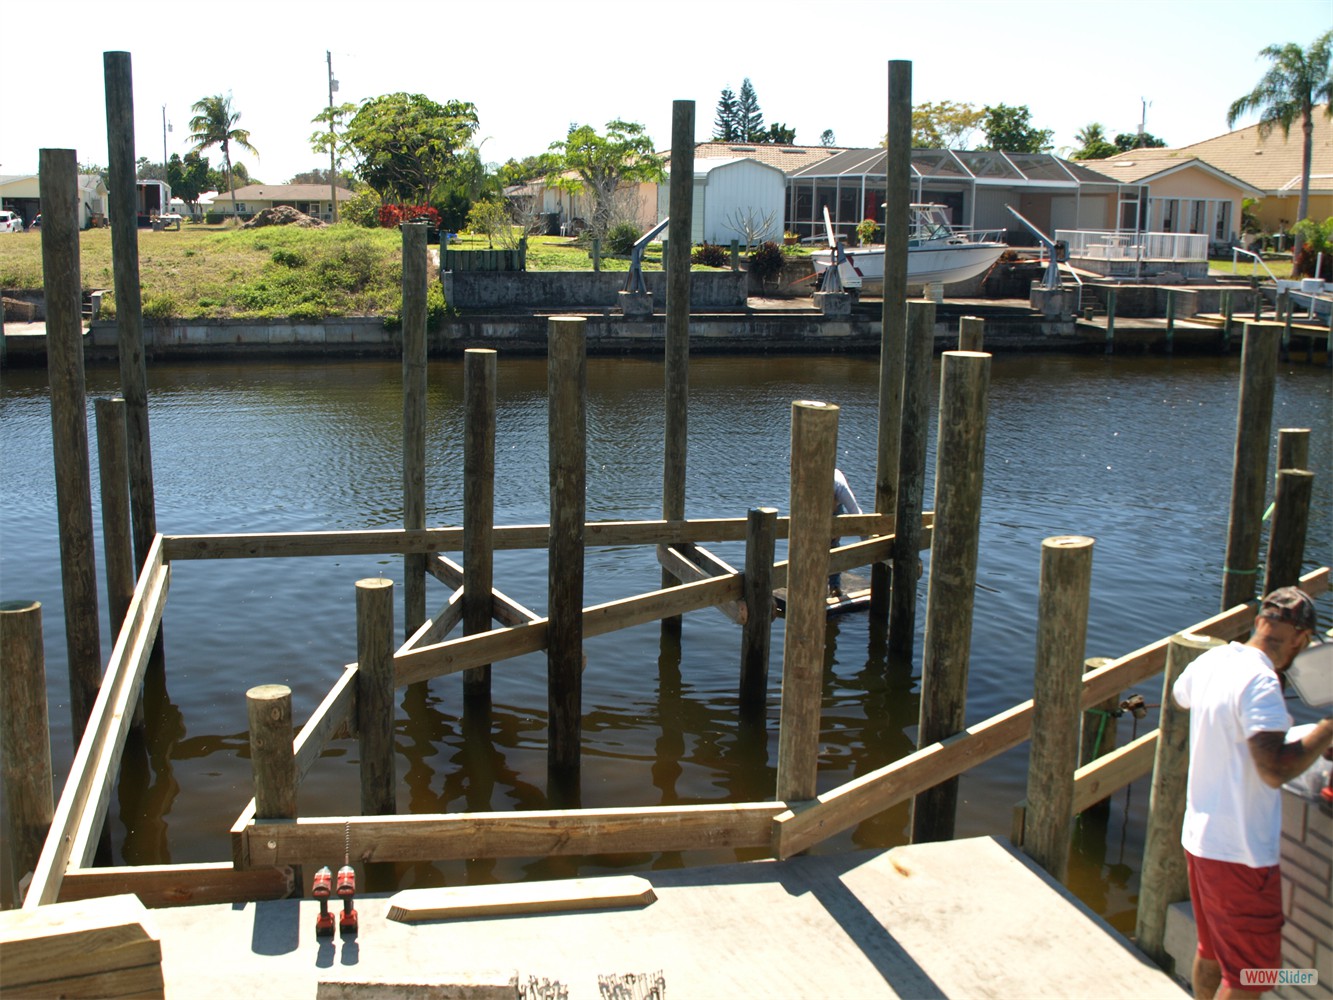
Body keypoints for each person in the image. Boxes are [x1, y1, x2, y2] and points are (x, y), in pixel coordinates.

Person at [1172, 586, 1333, 1000]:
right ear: (1301, 638)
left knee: (1212, 951)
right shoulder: (1262, 682)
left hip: (1200, 841)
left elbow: (1180, 695)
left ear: (1261, 620)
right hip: (1239, 854)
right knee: (1250, 976)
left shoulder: (1214, 660)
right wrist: (1326, 729)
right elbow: (1275, 769)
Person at [829, 468, 862, 599]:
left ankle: (834, 587)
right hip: (811, 503)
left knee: (833, 545)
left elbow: (857, 515)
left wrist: (869, 542)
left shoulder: (841, 489)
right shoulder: (808, 487)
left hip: (833, 499)